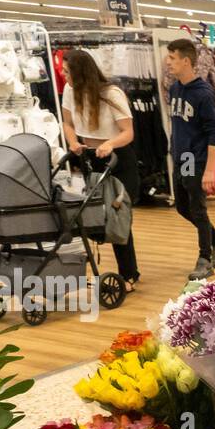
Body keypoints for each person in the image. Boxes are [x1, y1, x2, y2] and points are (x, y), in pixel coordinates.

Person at [60, 49, 141, 292]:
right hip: (87, 156)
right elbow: (67, 122)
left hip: (116, 158)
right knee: (89, 213)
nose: (64, 76)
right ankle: (84, 269)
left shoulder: (112, 94)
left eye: (67, 72)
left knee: (117, 215)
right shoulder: (69, 91)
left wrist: (109, 143)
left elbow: (128, 132)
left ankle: (128, 274)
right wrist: (73, 141)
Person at [164, 39, 215, 280]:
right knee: (182, 206)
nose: (168, 62)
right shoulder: (174, 89)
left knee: (197, 208)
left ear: (186, 61)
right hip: (180, 156)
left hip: (196, 157)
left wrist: (209, 170)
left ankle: (205, 257)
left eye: (172, 58)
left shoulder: (203, 93)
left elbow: (214, 132)